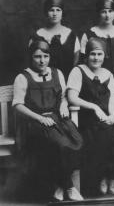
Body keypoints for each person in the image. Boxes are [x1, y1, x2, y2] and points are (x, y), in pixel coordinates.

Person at [13, 40, 83, 201]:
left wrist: (64, 105)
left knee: (77, 141)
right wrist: (40, 118)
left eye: (45, 56)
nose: (42, 60)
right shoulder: (22, 77)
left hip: (57, 119)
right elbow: (17, 105)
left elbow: (64, 96)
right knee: (59, 144)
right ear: (31, 57)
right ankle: (69, 187)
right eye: (37, 57)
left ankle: (60, 185)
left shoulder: (57, 73)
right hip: (34, 122)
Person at [67, 37, 114, 196]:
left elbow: (112, 98)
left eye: (99, 54)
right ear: (86, 55)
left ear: (104, 56)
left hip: (106, 117)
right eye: (92, 54)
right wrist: (94, 107)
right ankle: (109, 176)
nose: (96, 58)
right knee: (104, 134)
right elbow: (72, 97)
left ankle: (110, 176)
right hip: (85, 118)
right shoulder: (78, 71)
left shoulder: (108, 74)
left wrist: (113, 115)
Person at [80, 0, 114, 85]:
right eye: (104, 12)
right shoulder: (89, 34)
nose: (107, 15)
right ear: (99, 13)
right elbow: (83, 61)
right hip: (94, 80)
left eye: (110, 11)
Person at [28, 0, 80, 76]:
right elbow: (31, 63)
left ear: (62, 13)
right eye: (51, 10)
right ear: (46, 12)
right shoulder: (36, 36)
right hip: (42, 82)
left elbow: (75, 63)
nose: (55, 14)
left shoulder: (72, 36)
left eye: (58, 10)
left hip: (66, 81)